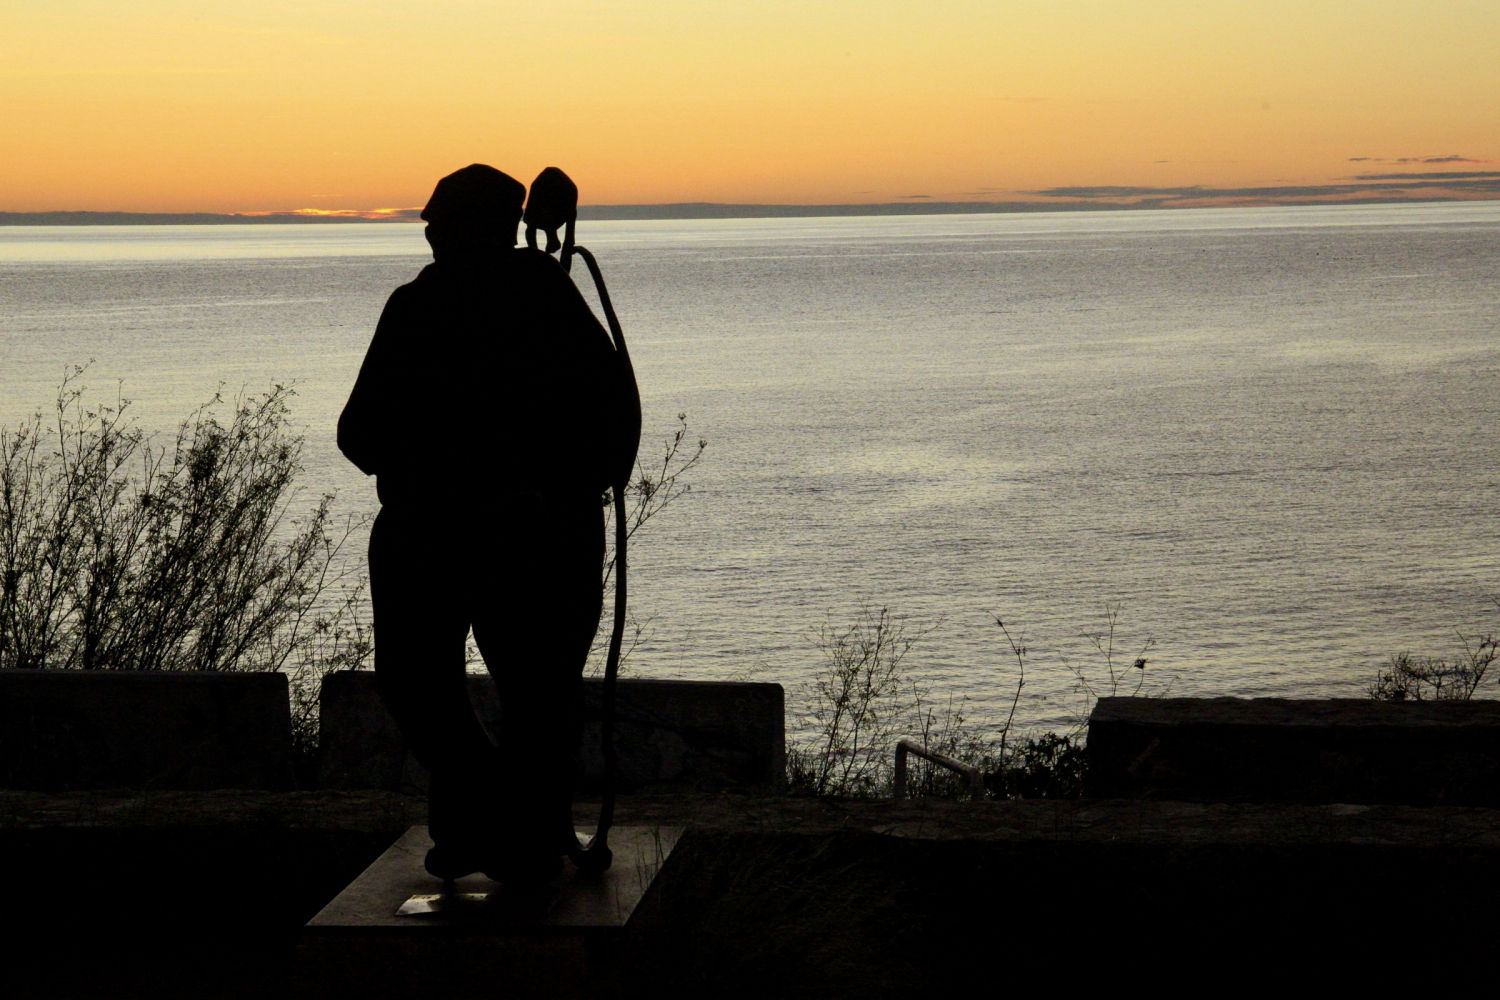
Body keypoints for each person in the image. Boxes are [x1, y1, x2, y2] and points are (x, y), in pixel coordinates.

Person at [338, 163, 636, 884]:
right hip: (475, 534)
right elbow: (615, 415)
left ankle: (507, 831)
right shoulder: (461, 301)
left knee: (495, 690)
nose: (429, 229)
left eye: (440, 217)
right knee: (496, 692)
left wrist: (542, 493)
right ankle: (496, 820)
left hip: (496, 535)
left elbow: (359, 431)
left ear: (473, 226)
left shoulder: (458, 303)